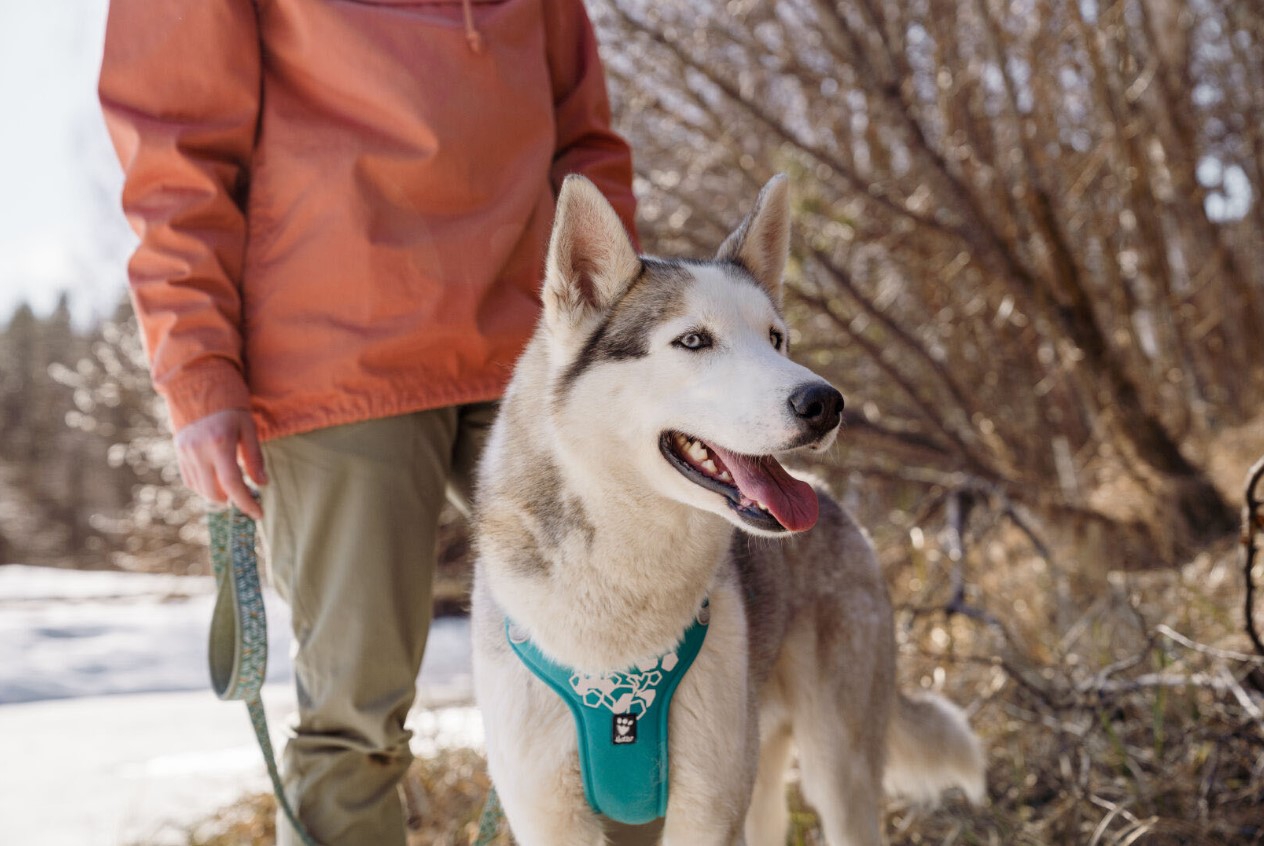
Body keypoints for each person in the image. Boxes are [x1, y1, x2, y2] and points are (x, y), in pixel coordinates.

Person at [99, 1, 638, 843]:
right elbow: (175, 154)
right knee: (352, 712)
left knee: (626, 674)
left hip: (536, 350)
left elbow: (585, 144)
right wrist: (199, 373)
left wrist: (617, 335)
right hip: (334, 352)